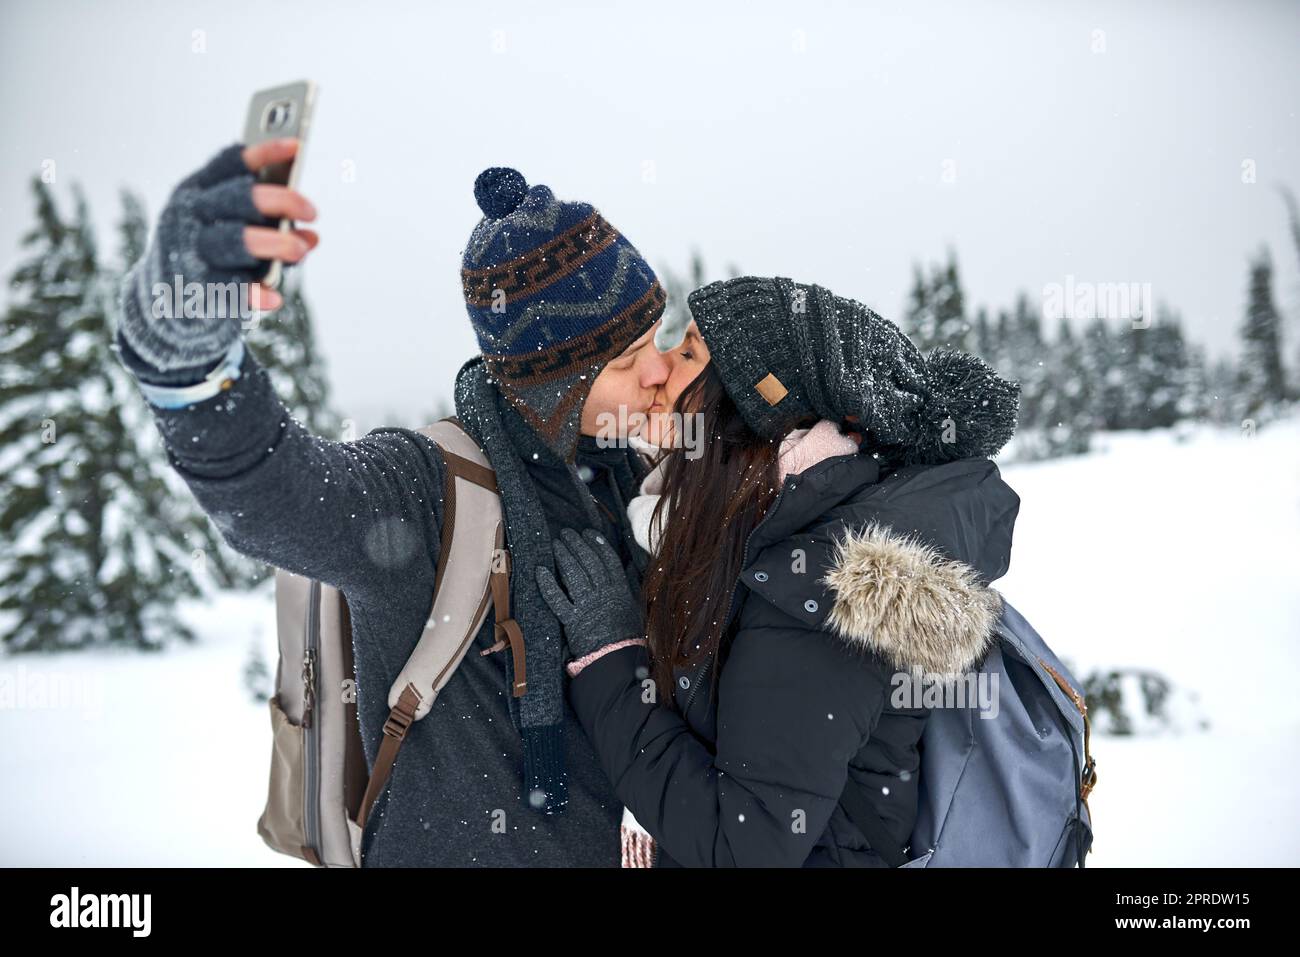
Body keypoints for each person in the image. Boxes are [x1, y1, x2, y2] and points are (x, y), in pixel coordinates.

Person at [112, 139, 673, 866]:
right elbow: (273, 492)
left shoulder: (633, 477)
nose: (659, 370)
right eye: (627, 360)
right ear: (552, 382)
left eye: (656, 340)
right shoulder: (426, 489)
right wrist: (184, 355)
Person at [537, 275, 1023, 866]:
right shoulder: (743, 530)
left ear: (750, 410)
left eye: (688, 352)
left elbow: (745, 845)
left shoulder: (817, 586)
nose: (660, 369)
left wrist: (611, 659)